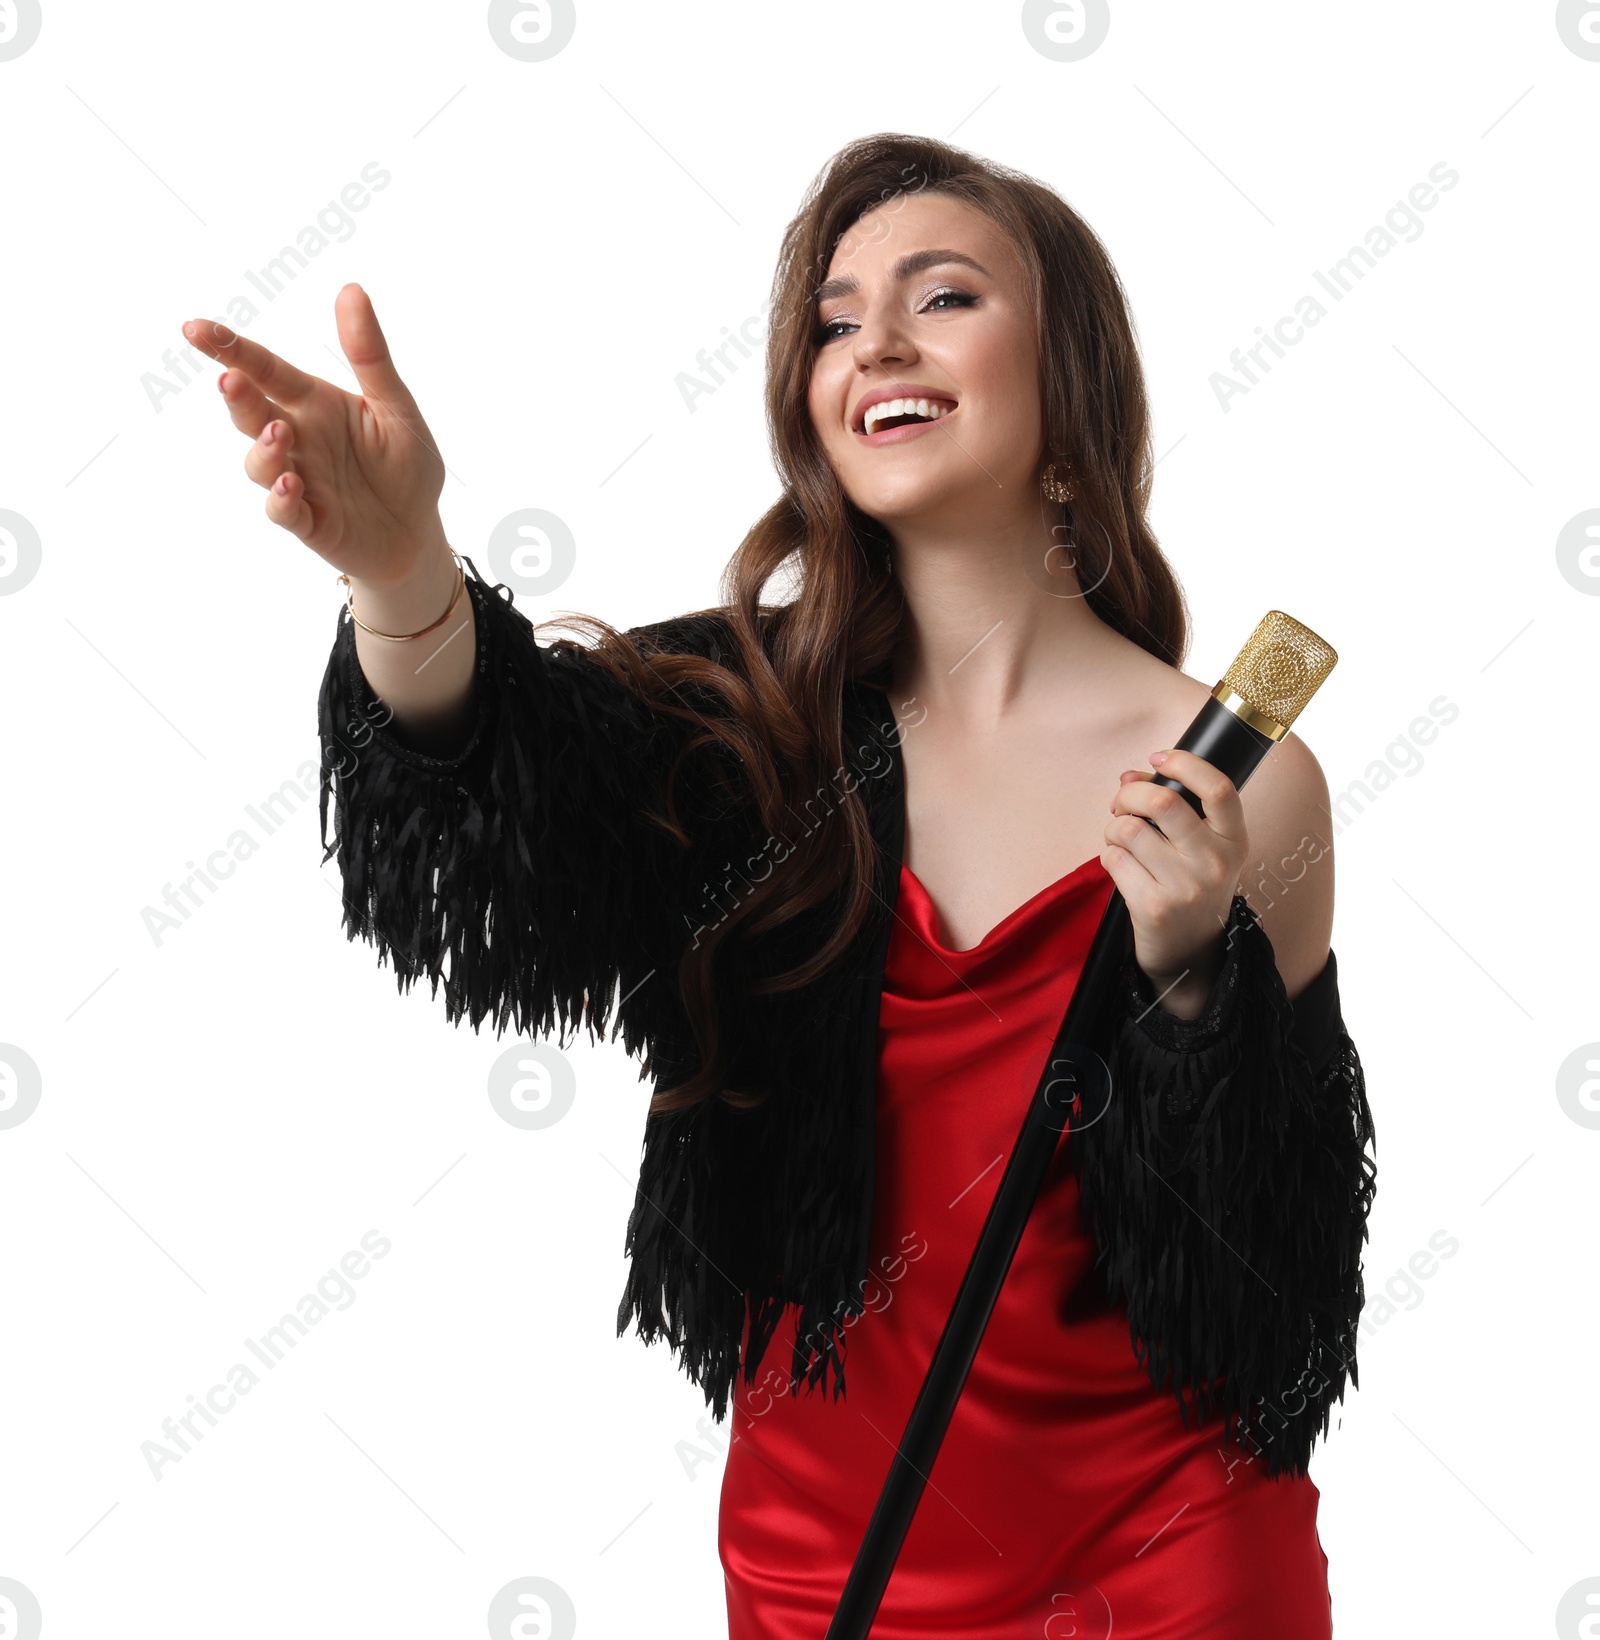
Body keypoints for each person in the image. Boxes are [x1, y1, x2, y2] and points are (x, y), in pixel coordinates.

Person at [183, 132, 1376, 1639]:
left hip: (1168, 1568)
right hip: (831, 1567)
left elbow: (1275, 1300)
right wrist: (405, 570)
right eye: (833, 318)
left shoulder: (1244, 781)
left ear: (1068, 378)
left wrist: (1197, 975)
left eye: (942, 296)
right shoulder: (742, 723)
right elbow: (506, 819)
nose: (873, 337)